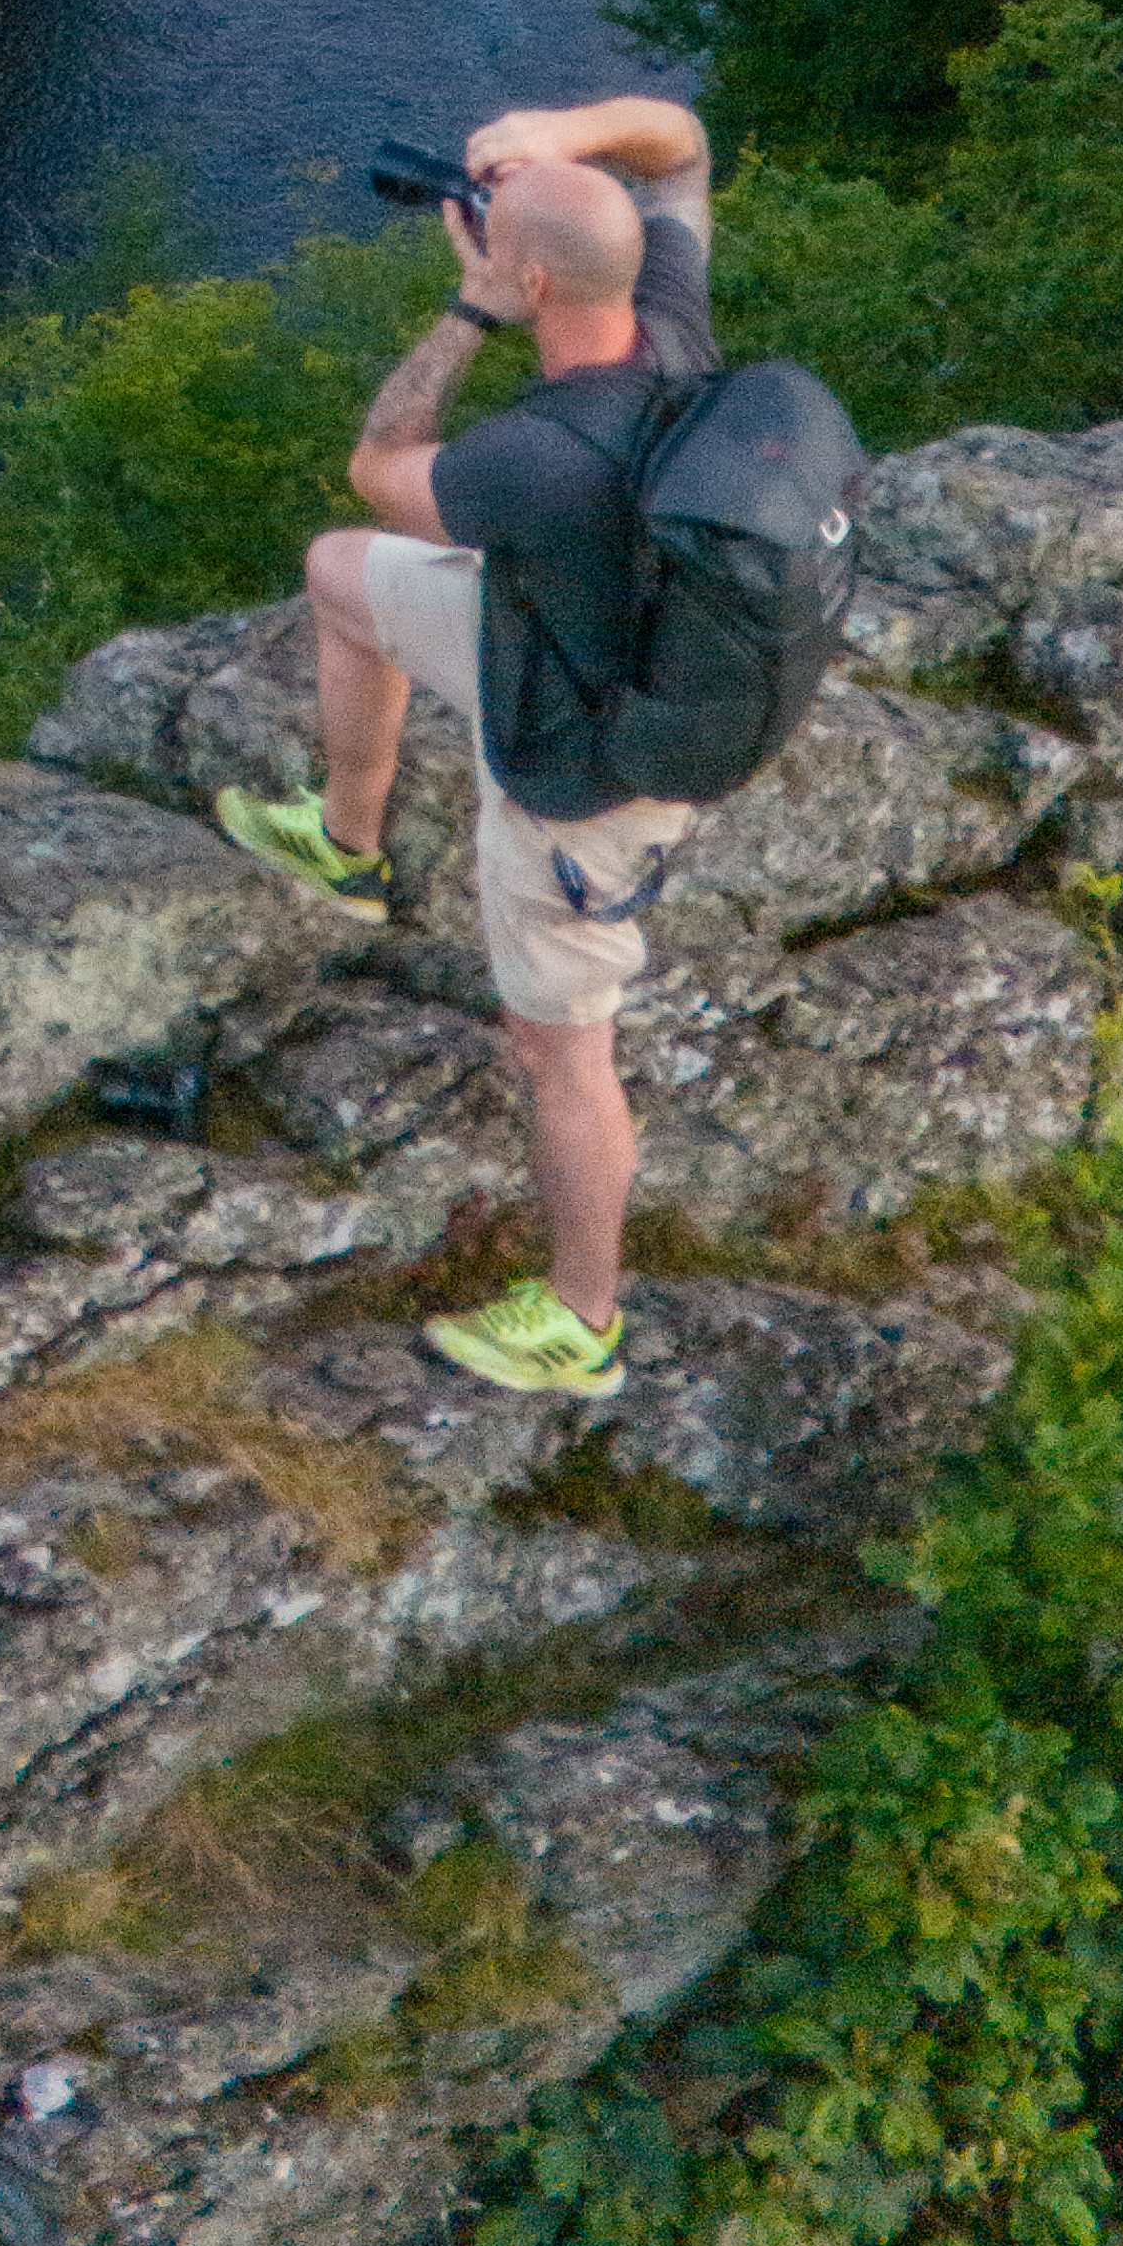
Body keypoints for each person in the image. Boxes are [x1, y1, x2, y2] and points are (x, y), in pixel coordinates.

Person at [209, 90, 725, 1407]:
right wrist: (566, 134)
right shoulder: (670, 319)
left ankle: (582, 1320)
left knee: (562, 1048)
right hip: (549, 631)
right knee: (345, 582)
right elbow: (678, 144)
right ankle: (347, 844)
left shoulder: (535, 457)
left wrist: (470, 312)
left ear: (532, 277)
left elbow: (382, 460)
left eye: (506, 246)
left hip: (584, 767)